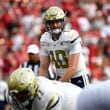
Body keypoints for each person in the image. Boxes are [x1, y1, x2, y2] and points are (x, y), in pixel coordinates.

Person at [39, 6, 90, 88]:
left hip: (78, 78)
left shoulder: (71, 36)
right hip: (60, 77)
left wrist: (57, 85)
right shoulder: (45, 39)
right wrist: (42, 84)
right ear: (47, 24)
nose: (55, 25)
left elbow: (72, 68)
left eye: (57, 21)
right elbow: (43, 68)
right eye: (52, 22)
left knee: (84, 100)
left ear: (63, 21)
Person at [5, 67, 82, 110]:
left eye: (23, 93)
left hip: (75, 102)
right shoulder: (11, 97)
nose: (20, 97)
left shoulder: (48, 95)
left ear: (32, 87)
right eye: (16, 95)